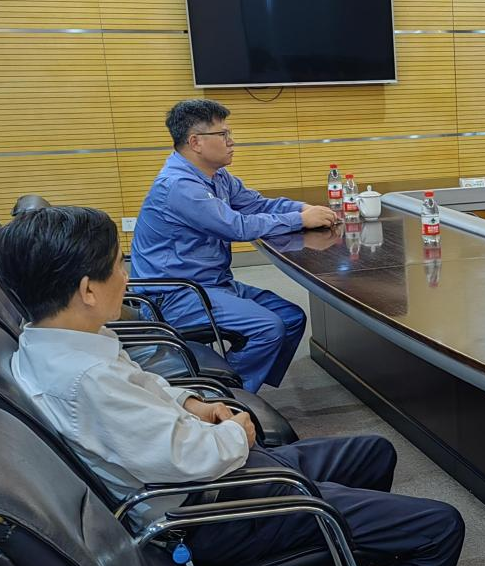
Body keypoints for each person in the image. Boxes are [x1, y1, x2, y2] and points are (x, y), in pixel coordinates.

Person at [0, 207, 464, 566]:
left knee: (373, 452)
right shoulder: (88, 378)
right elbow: (191, 458)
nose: (127, 274)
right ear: (87, 290)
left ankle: (345, 565)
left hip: (208, 479)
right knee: (439, 525)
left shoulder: (52, 342)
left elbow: (142, 387)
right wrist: (238, 432)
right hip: (212, 514)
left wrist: (191, 404)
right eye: (119, 264)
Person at [130, 99, 339, 392]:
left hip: (213, 283)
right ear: (195, 142)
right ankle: (225, 398)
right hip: (175, 294)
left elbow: (257, 205)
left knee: (290, 317)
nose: (231, 142)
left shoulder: (216, 176)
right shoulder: (179, 186)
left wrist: (302, 208)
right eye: (223, 134)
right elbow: (236, 227)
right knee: (268, 327)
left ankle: (238, 383)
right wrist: (299, 219)